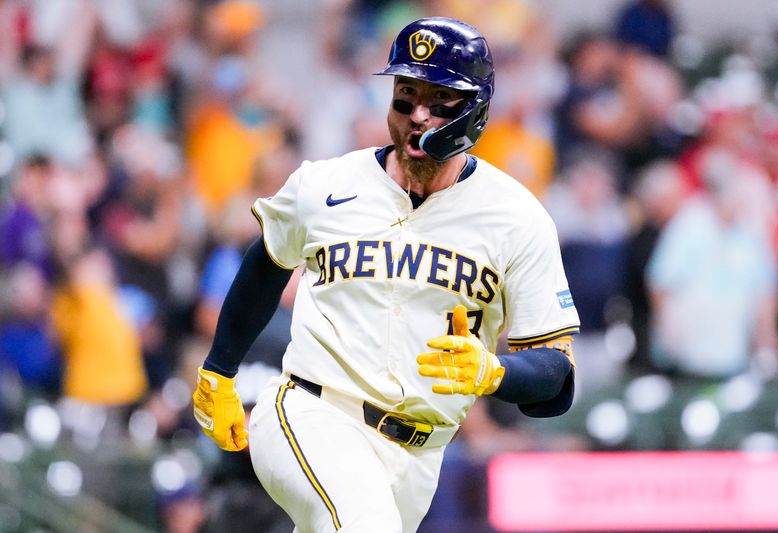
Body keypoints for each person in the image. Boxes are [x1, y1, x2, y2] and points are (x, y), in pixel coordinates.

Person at [191, 17, 580, 533]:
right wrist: (219, 368)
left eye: (438, 98)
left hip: (419, 455)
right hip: (313, 411)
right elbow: (266, 263)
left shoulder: (517, 218)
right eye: (405, 94)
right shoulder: (324, 185)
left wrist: (494, 372)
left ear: (477, 111)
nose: (417, 114)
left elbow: (557, 377)